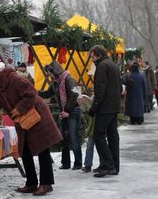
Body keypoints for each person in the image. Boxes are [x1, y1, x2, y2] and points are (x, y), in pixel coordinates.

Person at [0, 62, 63, 196]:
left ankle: (46, 184)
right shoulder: (1, 87)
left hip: (37, 118)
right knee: (25, 151)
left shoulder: (15, 79)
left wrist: (19, 108)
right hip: (24, 121)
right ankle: (31, 183)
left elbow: (31, 94)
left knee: (43, 150)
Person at [39, 61, 82, 170]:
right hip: (64, 112)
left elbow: (74, 94)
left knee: (73, 136)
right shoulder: (56, 83)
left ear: (55, 71)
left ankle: (78, 163)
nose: (49, 75)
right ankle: (66, 163)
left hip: (73, 110)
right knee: (63, 138)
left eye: (50, 73)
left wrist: (67, 110)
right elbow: (47, 94)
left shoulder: (68, 79)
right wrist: (35, 92)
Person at [88, 45, 122, 177]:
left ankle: (108, 165)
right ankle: (113, 166)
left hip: (105, 108)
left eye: (92, 56)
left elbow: (100, 90)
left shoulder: (102, 67)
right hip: (113, 106)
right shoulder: (113, 65)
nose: (91, 59)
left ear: (98, 55)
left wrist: (94, 106)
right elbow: (119, 86)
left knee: (98, 135)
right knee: (113, 136)